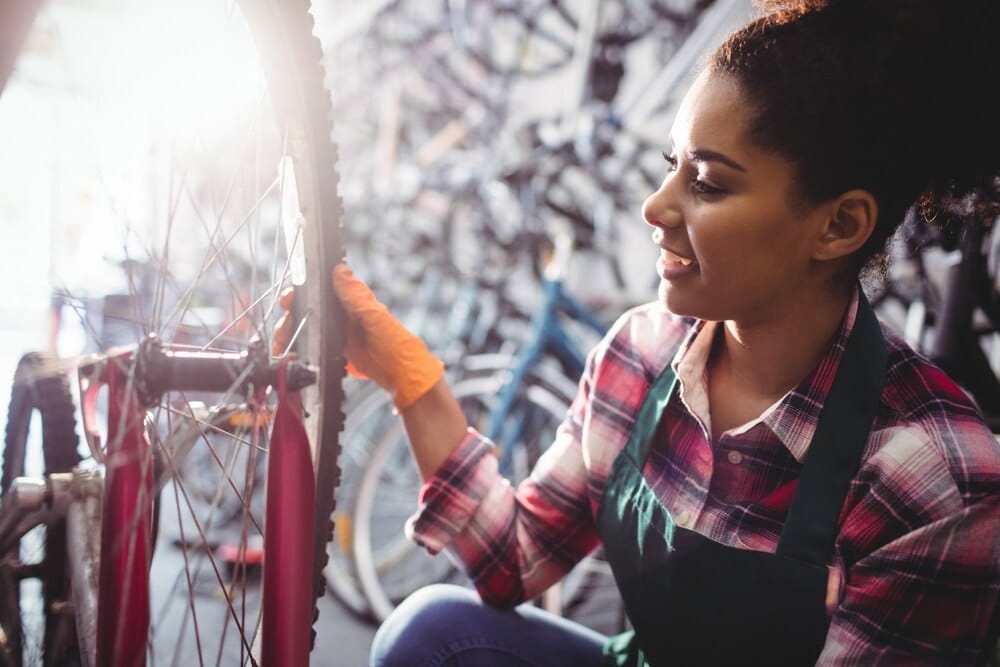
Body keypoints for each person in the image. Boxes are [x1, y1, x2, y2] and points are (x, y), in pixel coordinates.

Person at [287, 0, 1000, 663]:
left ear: (839, 224)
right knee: (431, 631)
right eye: (670, 167)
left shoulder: (930, 475)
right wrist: (412, 376)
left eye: (709, 183)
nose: (655, 207)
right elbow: (514, 563)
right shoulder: (641, 352)